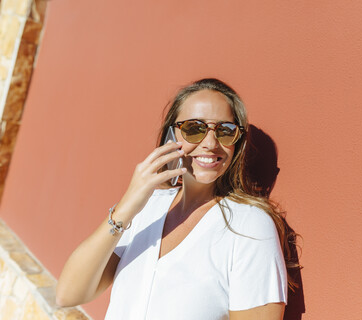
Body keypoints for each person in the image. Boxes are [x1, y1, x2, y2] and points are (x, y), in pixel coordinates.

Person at [56, 78, 297, 319]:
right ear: (171, 135)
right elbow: (69, 294)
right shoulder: (148, 207)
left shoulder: (249, 226)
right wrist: (127, 206)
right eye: (194, 129)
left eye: (225, 131)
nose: (211, 144)